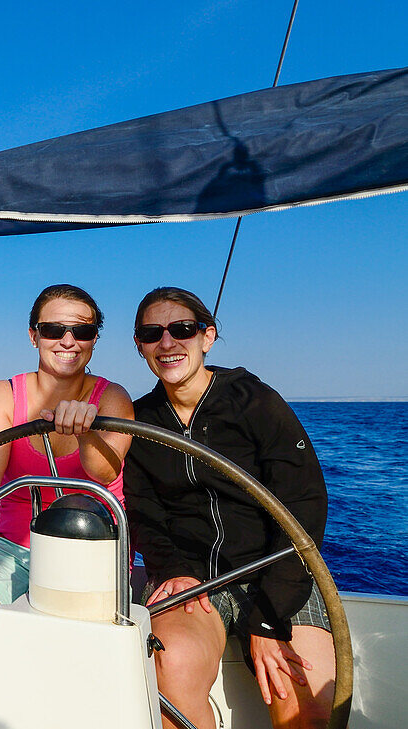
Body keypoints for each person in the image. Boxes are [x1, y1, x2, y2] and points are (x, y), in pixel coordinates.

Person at [123, 287, 333, 729]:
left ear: (207, 336)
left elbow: (305, 502)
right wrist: (174, 568)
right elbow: (143, 512)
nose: (167, 343)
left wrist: (270, 617)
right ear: (139, 344)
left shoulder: (254, 401)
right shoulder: (139, 420)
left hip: (276, 570)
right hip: (191, 576)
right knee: (171, 664)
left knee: (306, 704)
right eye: (151, 333)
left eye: (182, 329)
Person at [0, 284, 134, 604]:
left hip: (93, 544)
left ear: (94, 339)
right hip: (11, 546)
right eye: (53, 330)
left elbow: (106, 473)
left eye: (82, 331)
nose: (68, 341)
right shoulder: (4, 395)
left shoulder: (113, 398)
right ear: (33, 335)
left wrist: (86, 433)